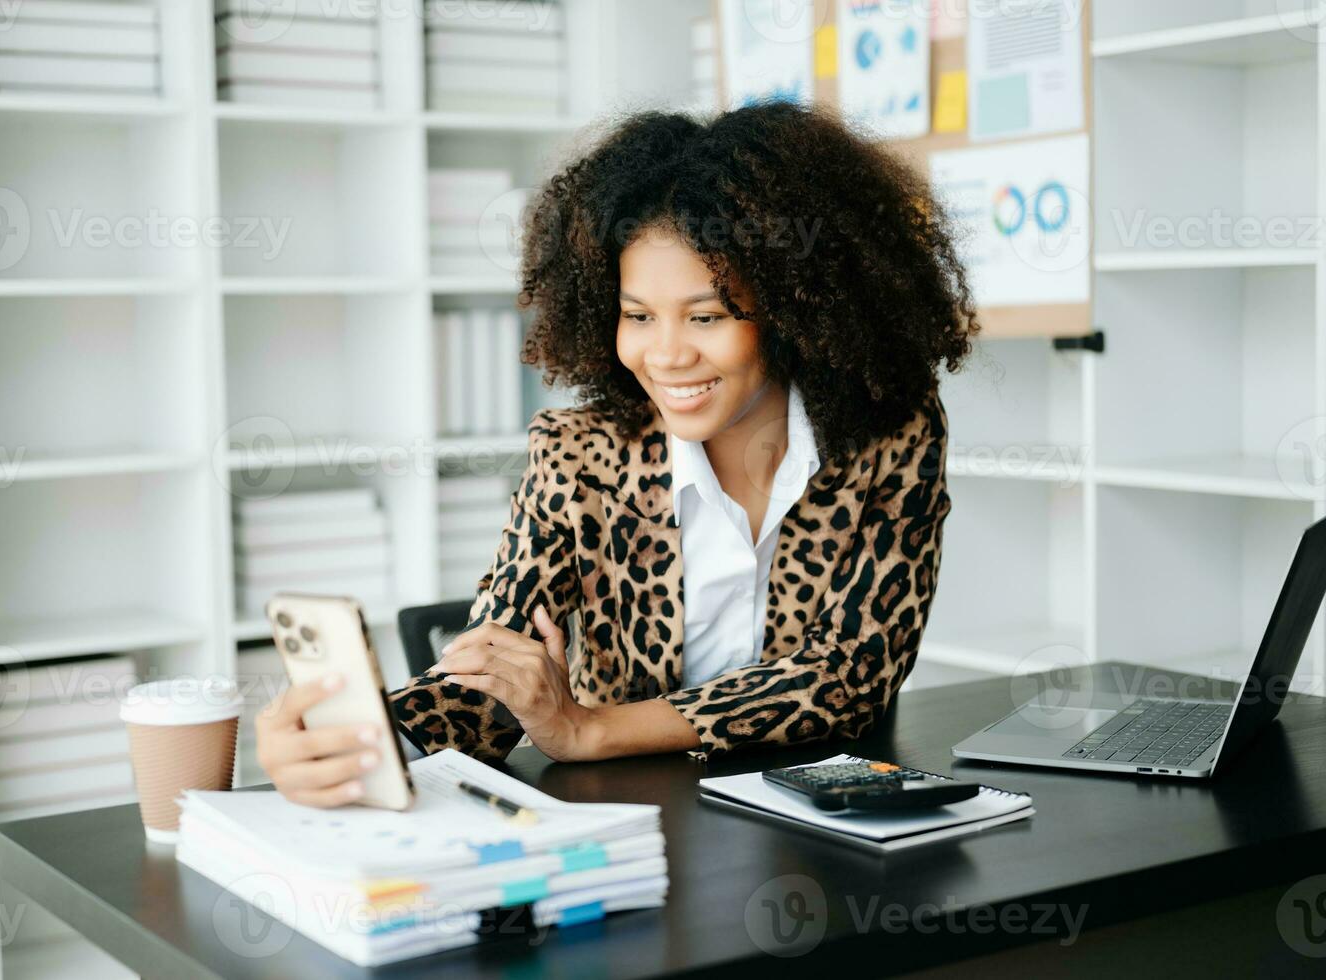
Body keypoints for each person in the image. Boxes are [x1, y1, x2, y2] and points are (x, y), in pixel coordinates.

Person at [257, 101, 977, 807]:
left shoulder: (889, 434)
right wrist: (354, 739)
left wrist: (587, 730)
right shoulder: (578, 457)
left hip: (827, 823)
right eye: (637, 316)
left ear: (797, 312)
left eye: (706, 316)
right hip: (638, 825)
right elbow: (492, 668)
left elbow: (847, 675)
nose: (665, 354)